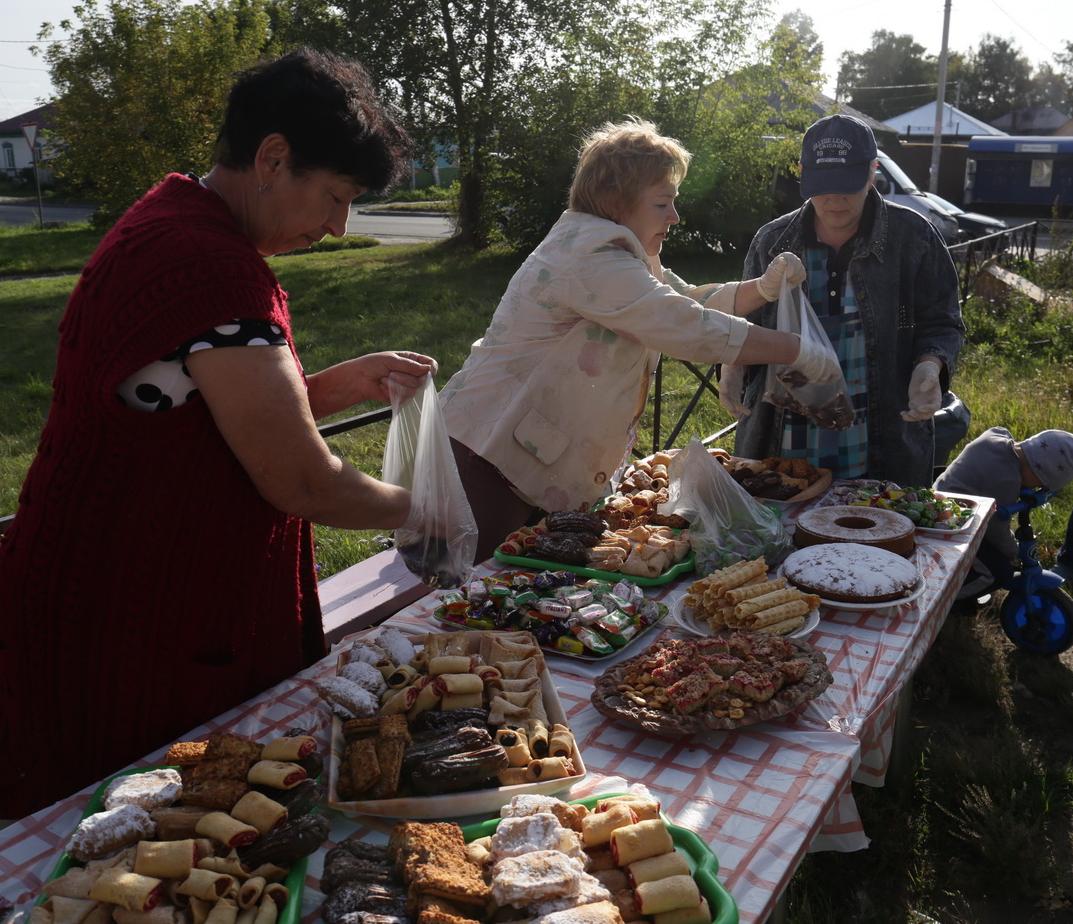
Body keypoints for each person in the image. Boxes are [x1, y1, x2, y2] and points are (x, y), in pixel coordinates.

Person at [0, 50, 437, 816]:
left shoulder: (174, 223)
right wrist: (433, 508)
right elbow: (301, 482)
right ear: (273, 158)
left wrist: (328, 389)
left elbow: (186, 411)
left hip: (105, 591)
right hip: (134, 618)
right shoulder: (212, 267)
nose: (337, 227)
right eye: (334, 198)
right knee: (148, 833)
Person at [440, 118, 839, 561]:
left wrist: (760, 288)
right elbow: (684, 324)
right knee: (461, 595)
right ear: (616, 202)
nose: (675, 216)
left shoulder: (619, 253)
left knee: (521, 597)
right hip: (488, 458)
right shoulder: (590, 257)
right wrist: (796, 349)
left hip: (525, 456)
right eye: (662, 203)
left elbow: (687, 300)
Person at [723, 114, 964, 487]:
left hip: (881, 445)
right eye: (823, 186)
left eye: (847, 186)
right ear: (803, 172)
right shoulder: (772, 241)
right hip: (781, 444)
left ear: (873, 172)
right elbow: (742, 320)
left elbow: (943, 322)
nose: (834, 200)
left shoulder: (914, 238)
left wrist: (931, 366)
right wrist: (732, 361)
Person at [935, 428, 1073, 595]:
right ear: (1037, 470)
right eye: (1039, 484)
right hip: (950, 525)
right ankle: (946, 599)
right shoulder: (1006, 482)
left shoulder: (998, 436)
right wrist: (1013, 552)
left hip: (941, 498)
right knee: (997, 573)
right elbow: (995, 529)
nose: (1036, 488)